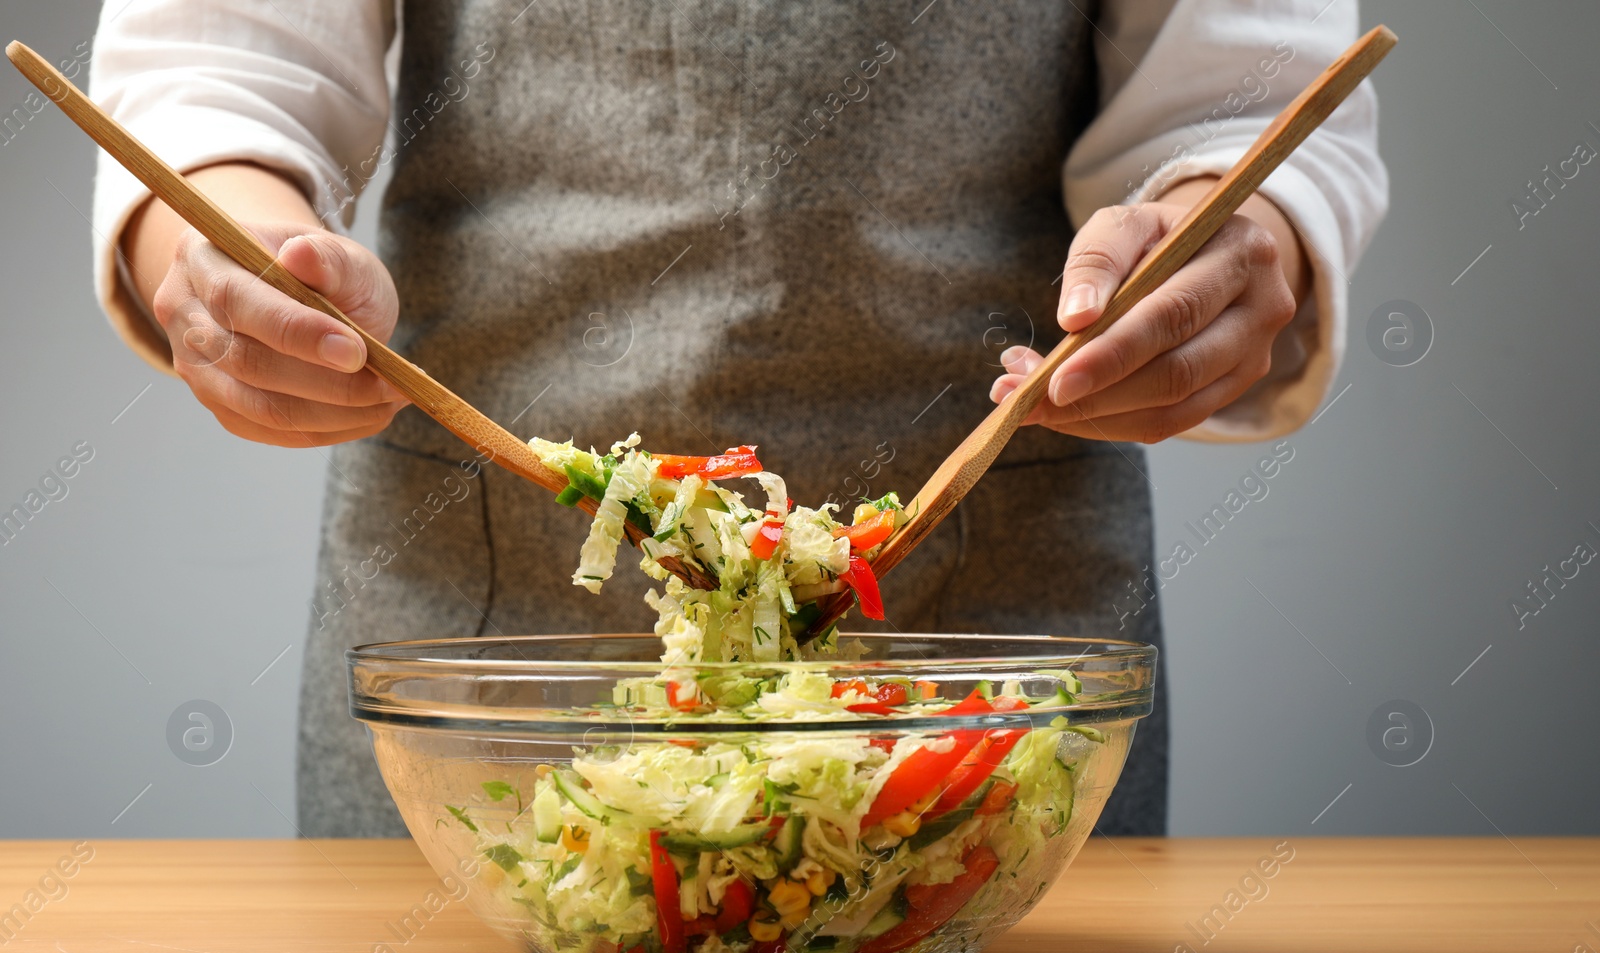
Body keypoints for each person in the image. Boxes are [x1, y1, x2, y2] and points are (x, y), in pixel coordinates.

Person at [89, 0, 1386, 837]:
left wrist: (1231, 228)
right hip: (483, 650)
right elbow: (217, 63)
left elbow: (1246, 86)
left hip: (987, 655)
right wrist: (226, 255)